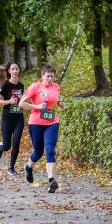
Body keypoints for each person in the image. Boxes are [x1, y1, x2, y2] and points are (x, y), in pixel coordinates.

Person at [19, 62, 66, 193]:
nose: (50, 79)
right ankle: (28, 167)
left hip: (52, 122)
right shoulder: (35, 87)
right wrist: (37, 107)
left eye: (52, 76)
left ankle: (51, 180)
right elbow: (21, 103)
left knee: (50, 150)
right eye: (48, 76)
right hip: (36, 123)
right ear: (42, 75)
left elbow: (57, 98)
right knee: (38, 152)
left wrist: (61, 103)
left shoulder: (56, 87)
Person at [0, 61, 25, 176]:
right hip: (7, 119)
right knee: (7, 146)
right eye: (13, 69)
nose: (15, 71)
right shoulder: (5, 85)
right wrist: (9, 101)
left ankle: (11, 167)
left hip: (19, 119)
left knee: (16, 143)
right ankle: (0, 147)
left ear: (19, 70)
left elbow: (23, 100)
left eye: (17, 69)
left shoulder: (21, 86)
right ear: (9, 71)